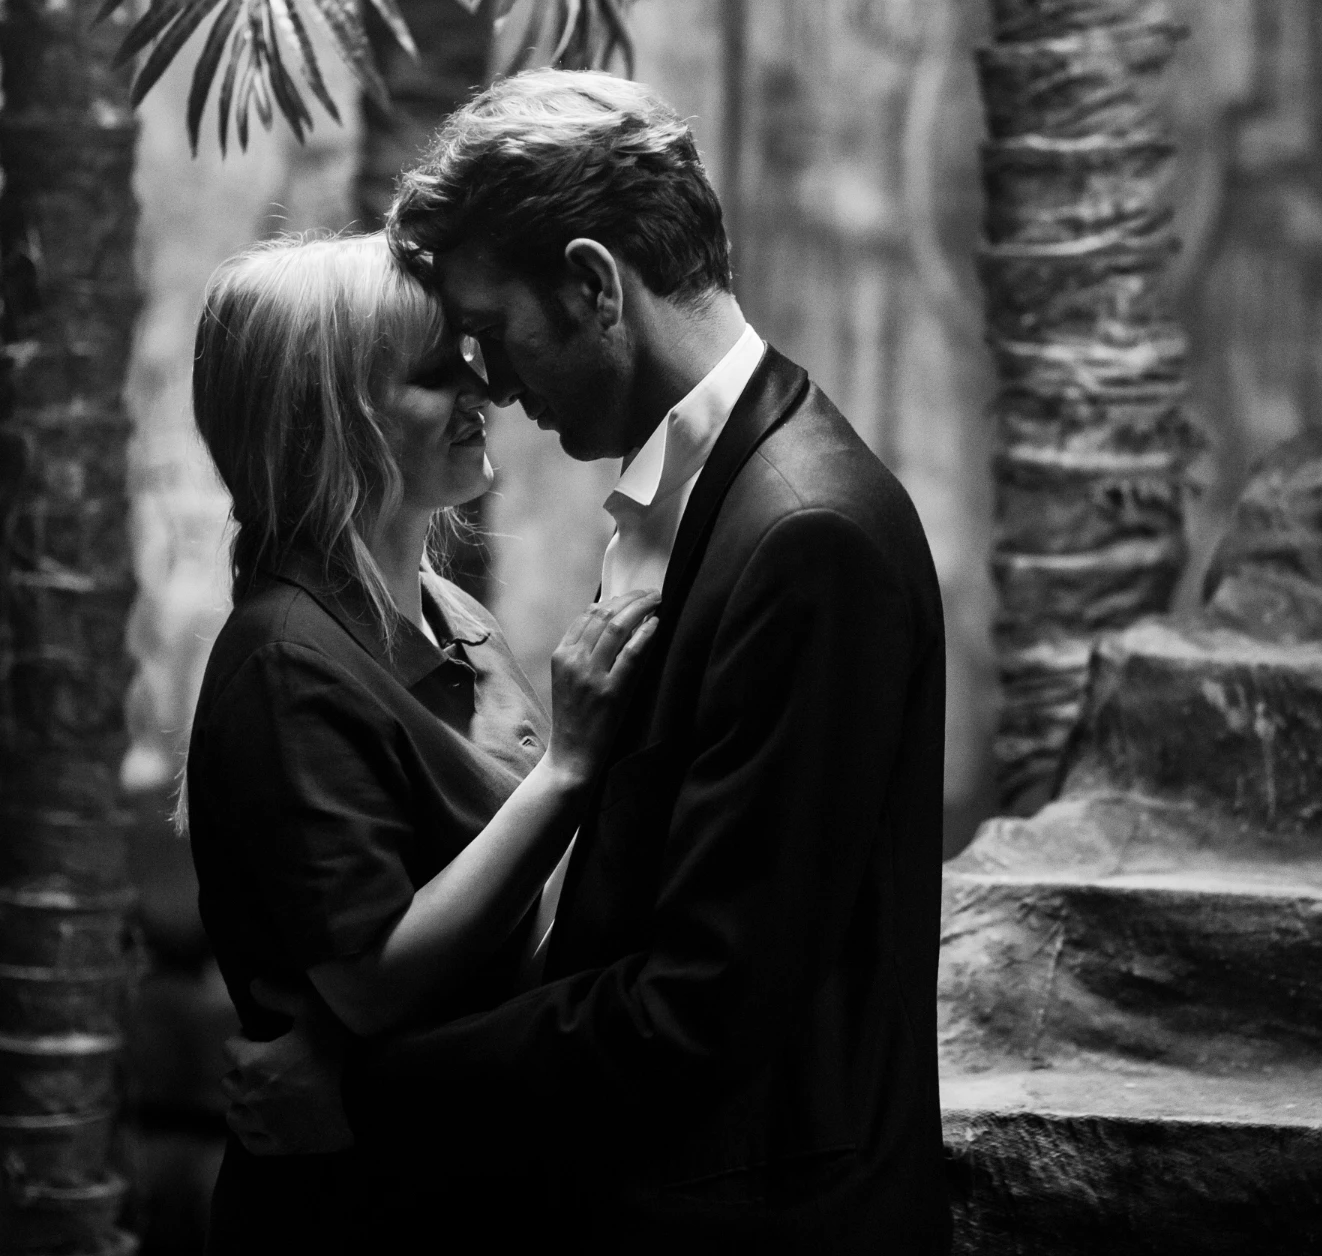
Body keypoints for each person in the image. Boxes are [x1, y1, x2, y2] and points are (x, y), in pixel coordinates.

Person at [225, 71, 952, 1252]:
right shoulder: (692, 498)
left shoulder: (806, 536)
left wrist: (363, 1093)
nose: (493, 382)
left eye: (490, 329)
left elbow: (702, 1003)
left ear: (593, 285)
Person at [184, 233, 659, 1254]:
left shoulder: (448, 608)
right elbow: (371, 978)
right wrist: (570, 770)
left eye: (470, 358)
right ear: (328, 421)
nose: (483, 391)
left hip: (457, 1177)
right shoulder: (285, 659)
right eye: (436, 374)